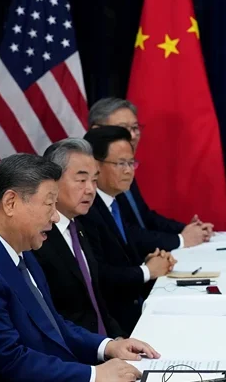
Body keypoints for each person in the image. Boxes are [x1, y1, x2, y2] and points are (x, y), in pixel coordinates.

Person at [0, 154, 160, 382]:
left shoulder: (22, 250)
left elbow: (51, 324)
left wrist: (107, 346)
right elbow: (9, 362)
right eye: (50, 204)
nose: (55, 217)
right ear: (10, 203)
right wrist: (94, 375)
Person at [82, 126, 176, 334]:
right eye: (120, 163)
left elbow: (122, 254)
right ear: (96, 166)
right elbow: (97, 274)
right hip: (113, 326)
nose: (128, 170)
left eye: (131, 163)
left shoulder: (115, 200)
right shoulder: (86, 210)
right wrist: (147, 271)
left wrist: (149, 261)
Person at [34, 138, 126, 338]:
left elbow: (96, 302)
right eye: (82, 180)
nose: (91, 190)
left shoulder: (79, 227)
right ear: (52, 182)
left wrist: (118, 338)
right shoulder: (37, 239)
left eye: (94, 180)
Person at [89, 97, 212, 246]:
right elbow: (123, 232)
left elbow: (144, 217)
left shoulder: (126, 165)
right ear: (97, 131)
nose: (132, 136)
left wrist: (187, 229)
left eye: (135, 128)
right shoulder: (91, 177)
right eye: (123, 129)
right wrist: (181, 240)